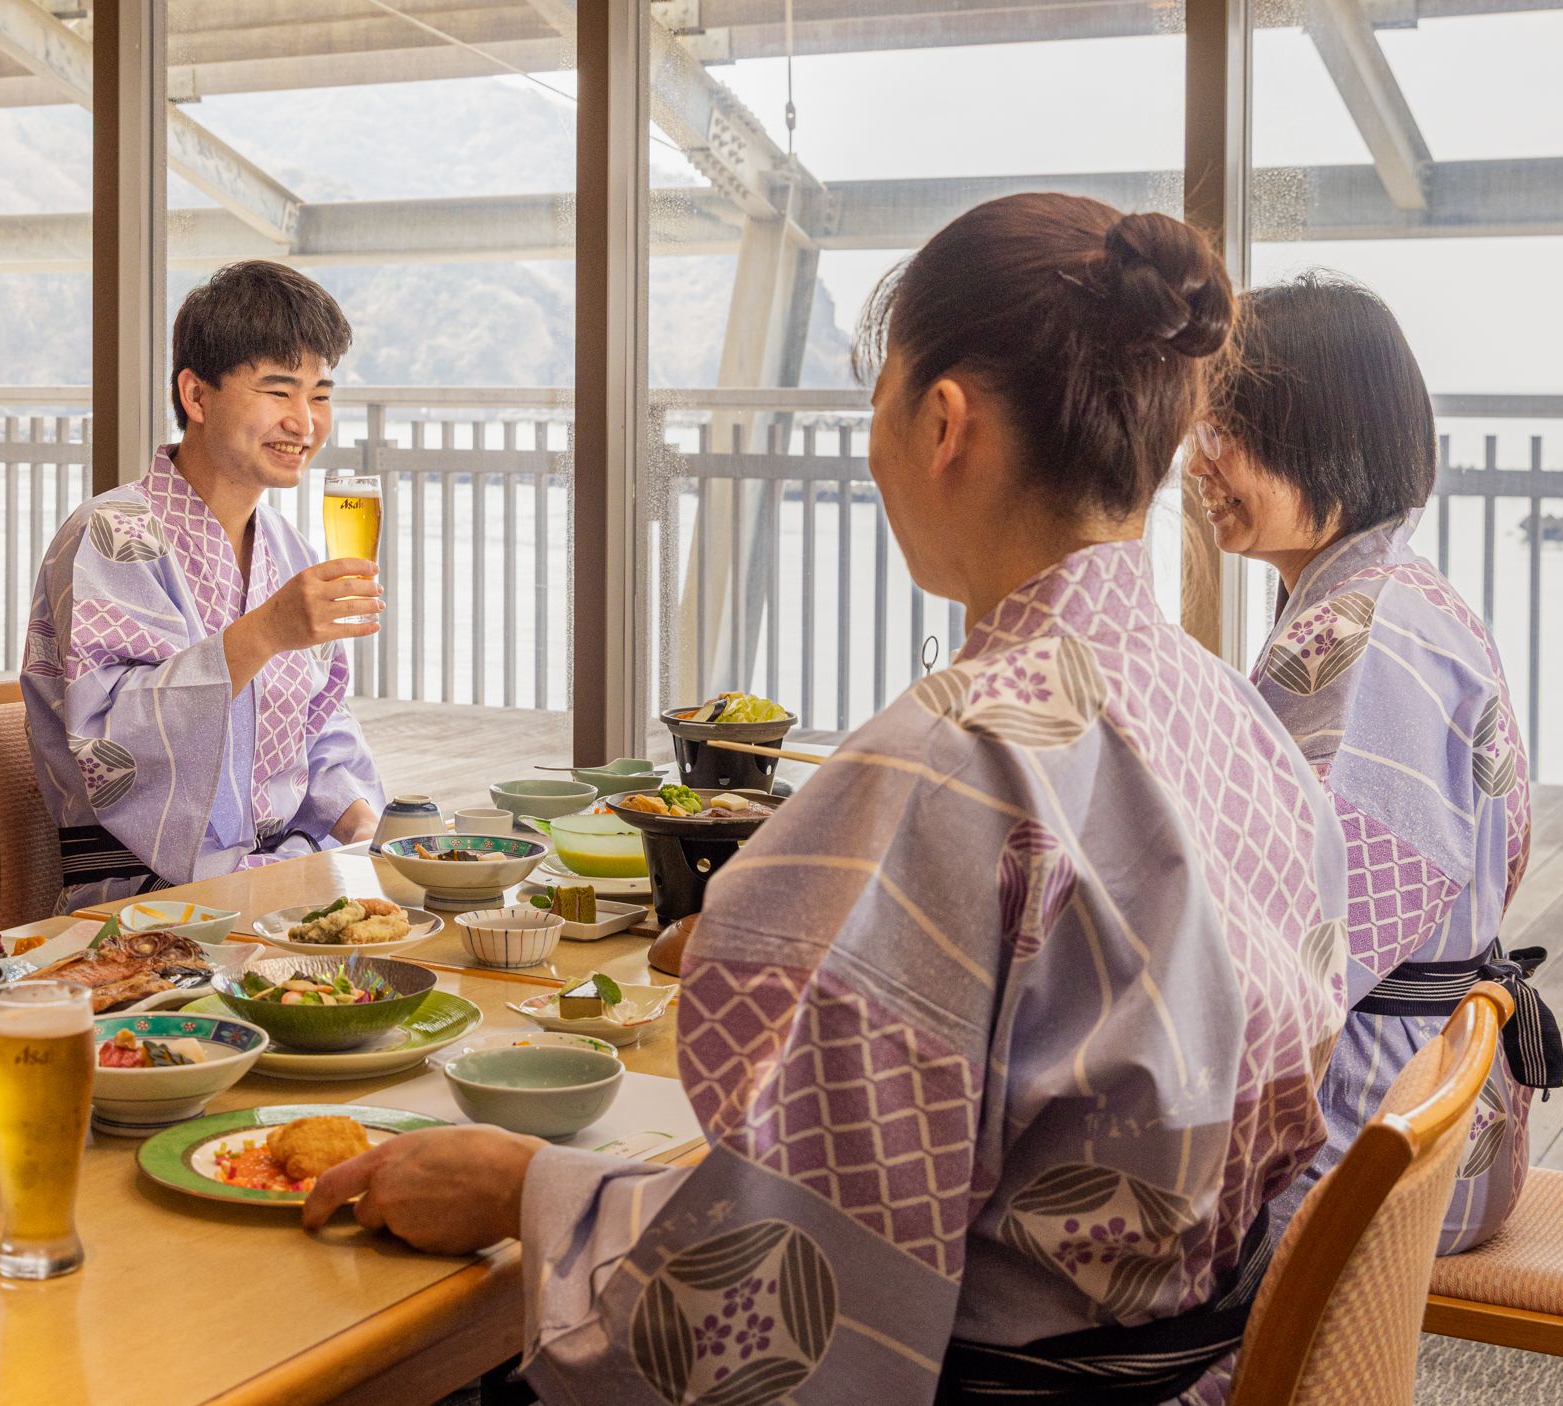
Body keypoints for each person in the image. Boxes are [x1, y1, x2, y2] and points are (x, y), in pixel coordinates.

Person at [302, 195, 1351, 1406]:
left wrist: (518, 1188)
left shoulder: (950, 760)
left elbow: (773, 1297)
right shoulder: (1239, 720)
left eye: (881, 393)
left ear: (943, 420)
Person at [1192, 273, 1554, 1253]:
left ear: (1322, 434)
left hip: (1380, 1136)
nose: (1198, 458)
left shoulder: (1363, 638)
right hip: (1442, 1099)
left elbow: (1301, 948)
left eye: (1225, 426)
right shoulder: (1396, 595)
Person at [20, 261, 385, 912]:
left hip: (287, 883)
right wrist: (266, 632)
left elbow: (320, 718)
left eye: (320, 394)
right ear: (196, 396)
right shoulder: (113, 534)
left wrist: (368, 826)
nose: (305, 422)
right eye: (279, 391)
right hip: (147, 903)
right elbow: (112, 742)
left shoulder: (287, 549)